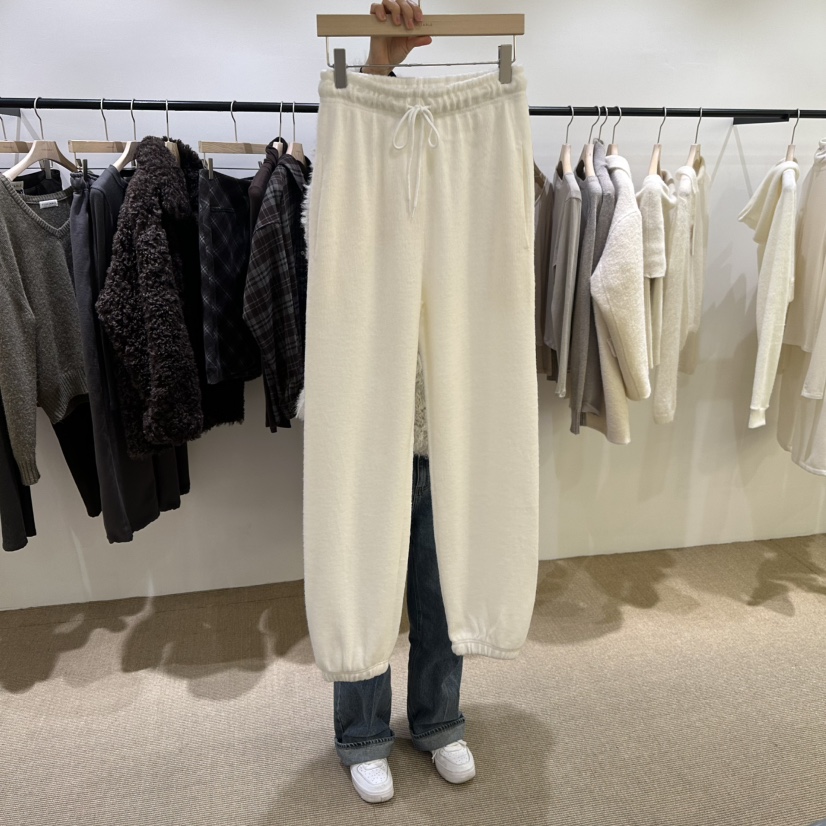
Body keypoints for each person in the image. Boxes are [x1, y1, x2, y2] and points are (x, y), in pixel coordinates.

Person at [331, 0, 476, 805]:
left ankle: (438, 720)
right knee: (365, 586)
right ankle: (360, 733)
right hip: (368, 429)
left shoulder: (469, 205)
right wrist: (378, 70)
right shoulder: (351, 201)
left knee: (442, 591)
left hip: (445, 428)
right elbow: (345, 209)